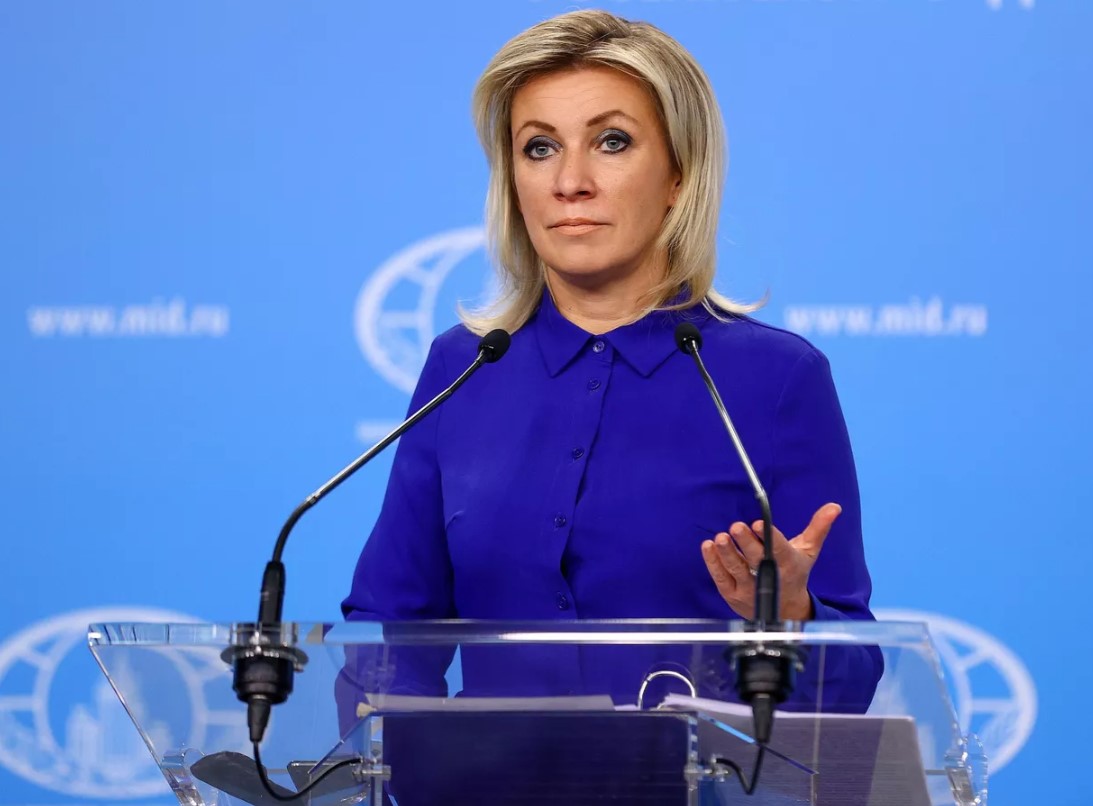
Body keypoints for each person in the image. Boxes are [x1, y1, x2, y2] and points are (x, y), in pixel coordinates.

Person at [341, 9, 881, 713]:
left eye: (611, 141)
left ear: (678, 175)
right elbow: (390, 626)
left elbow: (851, 678)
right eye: (539, 148)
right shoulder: (463, 368)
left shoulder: (776, 379)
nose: (570, 181)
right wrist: (396, 750)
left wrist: (792, 620)